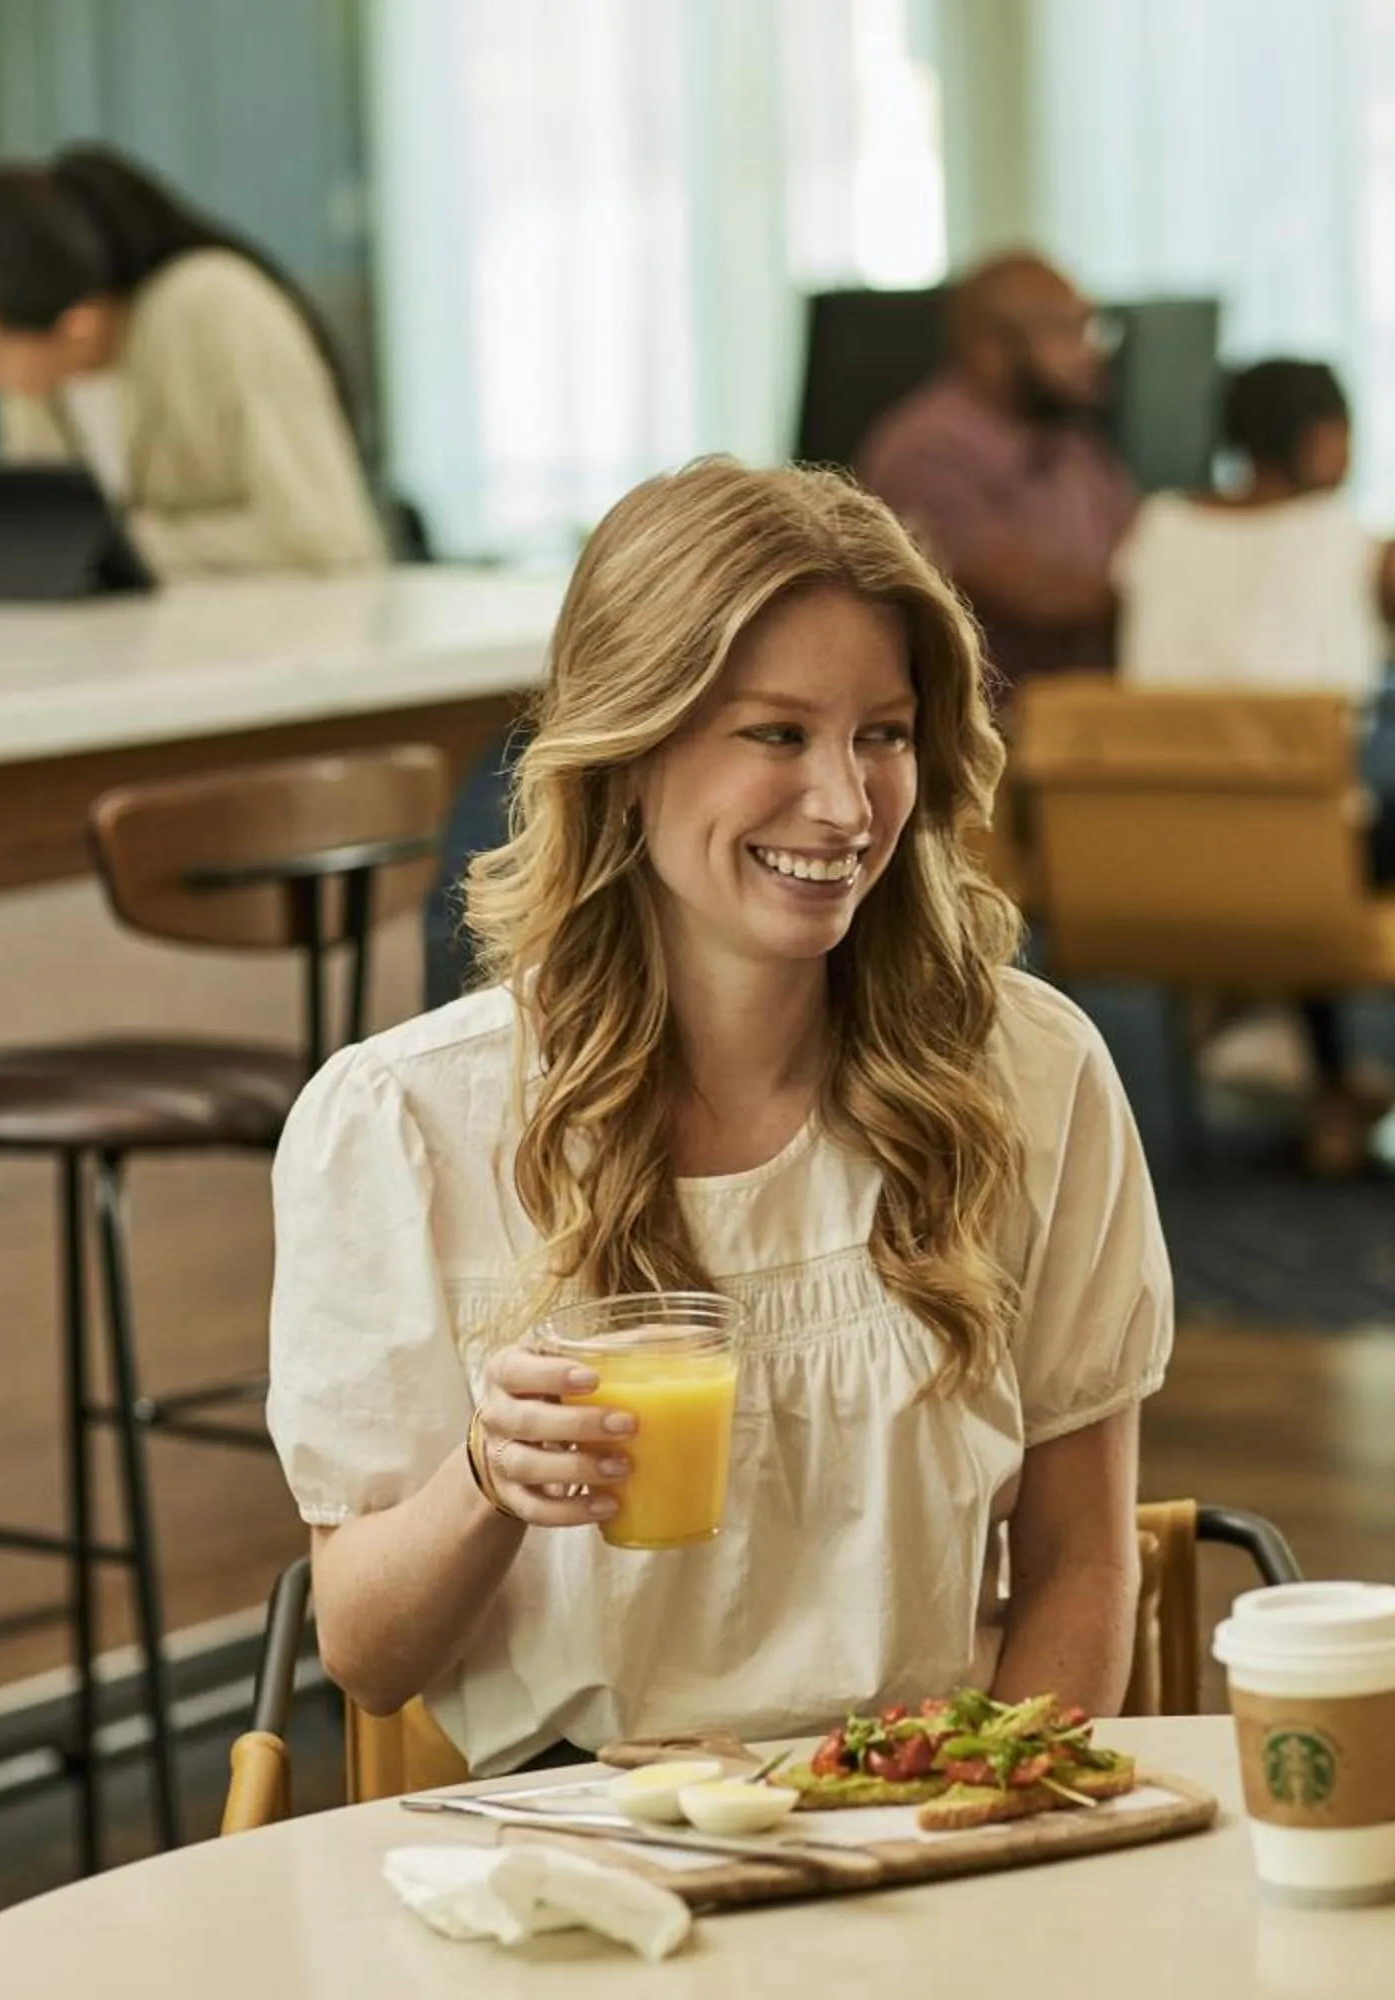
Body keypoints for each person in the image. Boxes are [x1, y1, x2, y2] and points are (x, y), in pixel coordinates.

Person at [270, 459, 1171, 1775]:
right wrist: (487, 1480)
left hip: (920, 1816)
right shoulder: (407, 1122)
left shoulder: (1032, 1075)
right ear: (629, 756)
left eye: (884, 733)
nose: (846, 805)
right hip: (577, 1848)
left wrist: (1003, 1822)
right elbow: (367, 1652)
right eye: (776, 735)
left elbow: (1083, 1564)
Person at [1115, 357, 1395, 1181]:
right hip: (1306, 853)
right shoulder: (1343, 537)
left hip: (1162, 854)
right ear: (1324, 442)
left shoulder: (1154, 530)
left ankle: (1329, 1086)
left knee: (1294, 799)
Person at [0, 145, 386, 576]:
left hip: (280, 648)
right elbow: (52, 540)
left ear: (78, 326)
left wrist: (118, 548)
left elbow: (325, 539)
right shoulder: (43, 378)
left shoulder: (211, 307)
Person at [858, 252, 1135, 685]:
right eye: (1067, 330)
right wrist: (1159, 592)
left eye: (1092, 328)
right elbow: (1031, 596)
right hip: (986, 731)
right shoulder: (928, 449)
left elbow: (1139, 546)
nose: (1091, 351)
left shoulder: (1073, 444)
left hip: (1081, 721)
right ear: (989, 348)